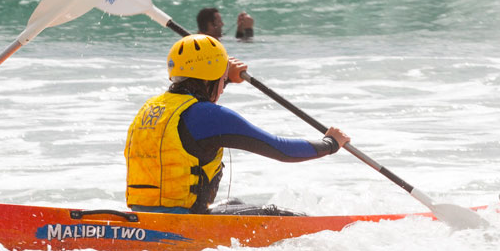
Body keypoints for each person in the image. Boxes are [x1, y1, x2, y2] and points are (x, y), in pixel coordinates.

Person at [124, 34, 350, 215]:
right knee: (276, 215)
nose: (223, 87)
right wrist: (330, 143)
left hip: (142, 215)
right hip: (183, 222)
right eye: (222, 81)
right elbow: (282, 150)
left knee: (234, 203)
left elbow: (199, 103)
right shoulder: (208, 116)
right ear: (210, 78)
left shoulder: (153, 108)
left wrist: (224, 75)